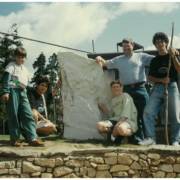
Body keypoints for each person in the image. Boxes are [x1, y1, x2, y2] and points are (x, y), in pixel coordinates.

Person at [96, 38, 154, 144]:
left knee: (144, 114)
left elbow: (156, 60)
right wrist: (99, 58)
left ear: (132, 45)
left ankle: (146, 139)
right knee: (128, 115)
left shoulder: (141, 56)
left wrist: (169, 54)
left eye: (128, 46)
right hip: (127, 90)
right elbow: (105, 64)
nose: (126, 48)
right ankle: (130, 138)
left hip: (140, 88)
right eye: (124, 46)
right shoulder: (118, 59)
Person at [139, 32, 180, 146]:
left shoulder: (173, 55)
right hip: (157, 88)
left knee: (175, 115)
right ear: (155, 45)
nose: (159, 43)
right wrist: (161, 80)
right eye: (157, 42)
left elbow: (179, 69)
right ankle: (151, 138)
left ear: (166, 43)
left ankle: (175, 140)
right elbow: (150, 77)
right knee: (148, 112)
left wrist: (174, 56)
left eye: (162, 41)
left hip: (172, 87)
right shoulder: (155, 60)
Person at [0, 47, 44, 146]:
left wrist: (26, 89)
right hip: (13, 91)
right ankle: (15, 139)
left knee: (28, 114)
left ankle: (32, 138)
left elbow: (24, 84)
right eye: (19, 57)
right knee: (14, 115)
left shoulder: (25, 69)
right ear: (15, 57)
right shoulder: (11, 66)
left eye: (23, 57)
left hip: (23, 92)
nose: (22, 59)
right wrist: (5, 92)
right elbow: (7, 79)